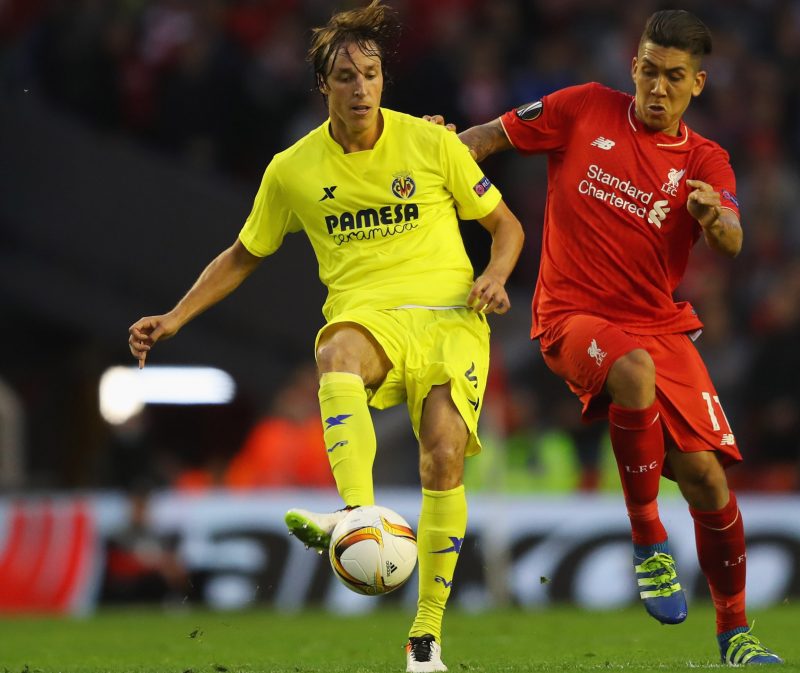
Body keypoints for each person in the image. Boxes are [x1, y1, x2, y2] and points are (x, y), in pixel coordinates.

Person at [128, 3, 524, 671]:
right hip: (369, 313)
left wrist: (496, 273)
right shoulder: (293, 169)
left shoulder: (432, 144)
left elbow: (507, 225)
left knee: (444, 458)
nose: (362, 87)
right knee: (335, 352)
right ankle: (357, 514)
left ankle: (425, 634)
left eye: (371, 74)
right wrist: (174, 316)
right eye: (347, 76)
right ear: (325, 85)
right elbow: (243, 253)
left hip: (453, 316)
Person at [434, 9, 781, 666]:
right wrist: (436, 142)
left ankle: (736, 635)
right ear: (633, 68)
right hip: (572, 314)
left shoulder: (707, 161)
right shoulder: (583, 108)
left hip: (659, 321)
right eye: (648, 71)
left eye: (674, 77)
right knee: (633, 369)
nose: (657, 88)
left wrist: (712, 217)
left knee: (707, 480)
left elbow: (733, 237)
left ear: (698, 84)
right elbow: (483, 138)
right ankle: (649, 539)